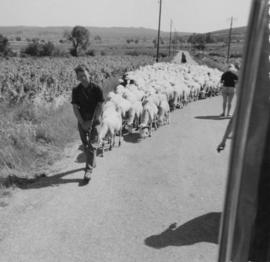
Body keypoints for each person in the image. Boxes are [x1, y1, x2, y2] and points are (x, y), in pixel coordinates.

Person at [71, 64, 105, 181]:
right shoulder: (76, 90)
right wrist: (82, 122)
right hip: (82, 120)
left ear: (89, 74)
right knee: (85, 145)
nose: (82, 78)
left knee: (92, 145)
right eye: (80, 77)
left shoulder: (97, 89)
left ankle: (88, 171)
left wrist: (92, 121)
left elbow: (100, 106)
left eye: (84, 75)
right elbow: (75, 108)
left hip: (95, 119)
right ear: (77, 78)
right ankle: (92, 159)